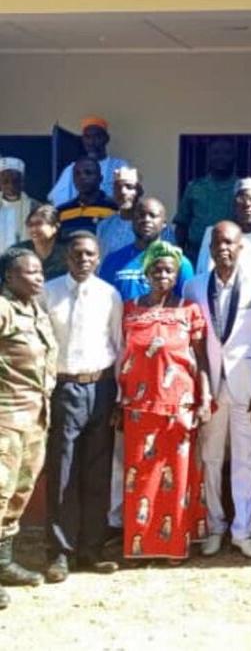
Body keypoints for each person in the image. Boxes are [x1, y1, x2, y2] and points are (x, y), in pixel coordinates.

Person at [184, 221, 251, 559]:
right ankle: (214, 527)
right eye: (218, 243)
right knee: (209, 459)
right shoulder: (194, 286)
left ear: (240, 247)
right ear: (210, 248)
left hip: (248, 387)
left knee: (246, 460)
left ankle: (243, 531)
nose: (223, 248)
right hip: (209, 387)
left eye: (230, 243)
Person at [118, 240, 211, 561]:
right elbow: (120, 356)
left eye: (169, 271)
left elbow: (201, 360)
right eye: (156, 270)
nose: (162, 275)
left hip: (179, 405)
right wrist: (117, 400)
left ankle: (174, 547)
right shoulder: (129, 310)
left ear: (176, 275)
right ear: (146, 274)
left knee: (178, 476)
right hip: (138, 407)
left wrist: (205, 398)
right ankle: (140, 547)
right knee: (141, 475)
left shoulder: (189, 310)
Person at [41, 231, 121, 583]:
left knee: (97, 471)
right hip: (64, 387)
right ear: (66, 257)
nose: (83, 260)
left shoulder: (109, 295)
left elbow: (118, 345)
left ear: (98, 258)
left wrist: (118, 396)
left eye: (89, 254)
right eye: (77, 254)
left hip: (101, 387)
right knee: (63, 471)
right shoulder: (48, 292)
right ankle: (60, 552)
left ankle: (91, 550)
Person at [0, 248, 57, 610]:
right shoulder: (3, 309)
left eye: (40, 272)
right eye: (30, 272)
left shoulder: (35, 309)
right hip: (6, 420)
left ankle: (3, 563)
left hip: (35, 418)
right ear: (9, 277)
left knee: (19, 493)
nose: (39, 278)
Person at [100, 197, 195, 302]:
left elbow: (187, 304)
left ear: (164, 223)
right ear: (132, 221)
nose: (146, 220)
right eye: (141, 215)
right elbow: (103, 302)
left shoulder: (180, 263)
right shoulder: (112, 261)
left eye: (153, 216)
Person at [173, 137, 237, 265]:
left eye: (226, 153)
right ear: (209, 157)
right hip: (195, 255)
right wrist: (179, 254)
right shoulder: (194, 187)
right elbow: (182, 224)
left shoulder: (240, 188)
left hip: (230, 255)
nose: (221, 157)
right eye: (216, 153)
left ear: (234, 157)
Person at [48, 116, 129, 206]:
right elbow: (58, 202)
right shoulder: (72, 168)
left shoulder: (120, 165)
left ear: (106, 138)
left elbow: (128, 198)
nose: (91, 142)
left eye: (97, 137)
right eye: (87, 137)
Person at [54, 157, 118, 240]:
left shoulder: (113, 208)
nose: (82, 177)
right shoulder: (61, 211)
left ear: (100, 179)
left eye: (88, 173)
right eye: (77, 174)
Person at [11, 205, 69, 281]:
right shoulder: (17, 252)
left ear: (55, 227)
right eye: (30, 225)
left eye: (39, 224)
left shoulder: (69, 252)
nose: (33, 229)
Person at [0, 157, 38, 252]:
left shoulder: (34, 207)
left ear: (22, 182)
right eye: (5, 181)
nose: (11, 185)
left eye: (15, 181)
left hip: (25, 257)